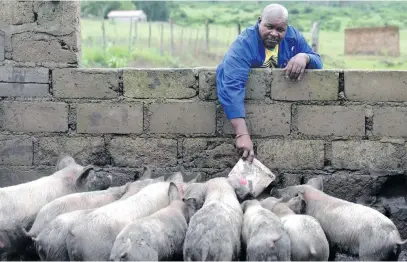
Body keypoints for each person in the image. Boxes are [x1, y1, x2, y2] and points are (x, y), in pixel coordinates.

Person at [216, 3, 322, 163]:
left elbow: (318, 61)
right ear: (260, 21)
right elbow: (232, 86)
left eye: (280, 30)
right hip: (249, 113)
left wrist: (304, 57)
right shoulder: (244, 44)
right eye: (269, 27)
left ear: (286, 28)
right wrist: (242, 134)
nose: (274, 33)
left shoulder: (293, 38)